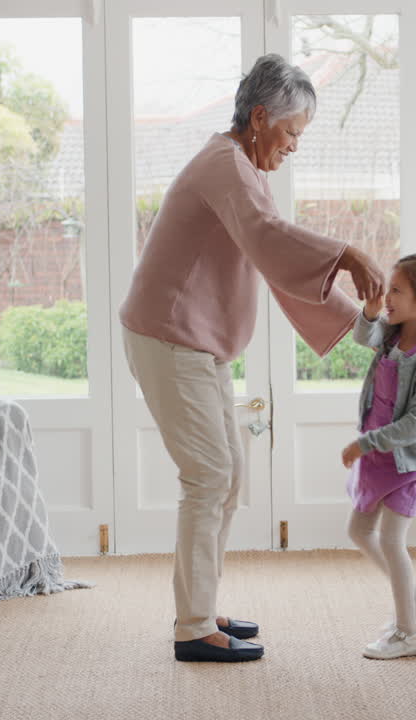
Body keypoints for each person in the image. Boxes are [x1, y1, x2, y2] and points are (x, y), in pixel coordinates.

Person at [119, 54, 385, 663]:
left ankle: (202, 610)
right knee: (209, 476)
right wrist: (348, 254)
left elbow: (274, 261)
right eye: (292, 132)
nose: (294, 146)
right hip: (168, 337)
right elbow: (271, 240)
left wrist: (352, 320)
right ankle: (192, 630)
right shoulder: (227, 166)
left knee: (228, 475)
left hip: (193, 341)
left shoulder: (241, 169)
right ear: (260, 117)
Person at [341, 254, 416, 660]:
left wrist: (365, 442)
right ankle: (414, 595)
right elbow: (364, 337)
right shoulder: (390, 335)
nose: (387, 296)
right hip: (377, 456)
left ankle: (408, 633)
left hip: (405, 463)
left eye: (396, 290)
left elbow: (413, 425)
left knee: (392, 541)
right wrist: (370, 312)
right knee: (359, 531)